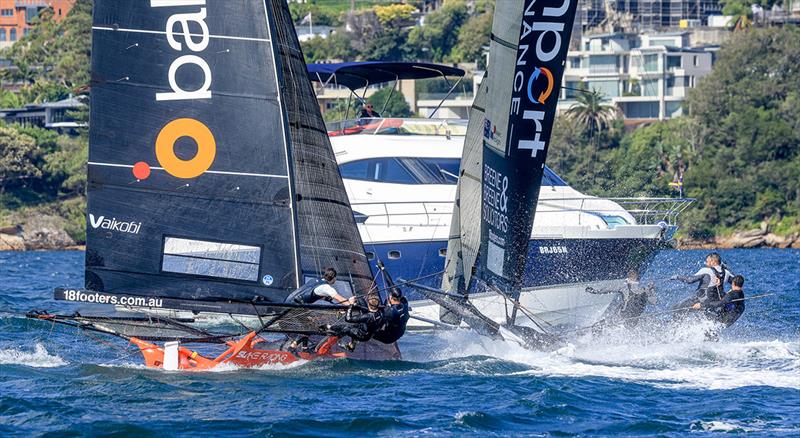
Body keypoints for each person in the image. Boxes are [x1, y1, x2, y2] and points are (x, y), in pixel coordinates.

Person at [586, 269, 656, 328]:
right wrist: (652, 290)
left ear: (628, 278)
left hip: (622, 318)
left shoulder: (624, 286)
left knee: (597, 326)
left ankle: (596, 341)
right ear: (637, 278)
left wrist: (594, 291)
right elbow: (654, 302)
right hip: (635, 320)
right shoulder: (645, 289)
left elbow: (608, 289)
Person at [285, 267, 355, 306]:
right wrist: (350, 304)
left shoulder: (314, 280)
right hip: (297, 306)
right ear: (334, 278)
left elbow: (312, 293)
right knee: (311, 327)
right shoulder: (327, 287)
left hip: (288, 301)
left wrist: (325, 299)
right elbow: (340, 299)